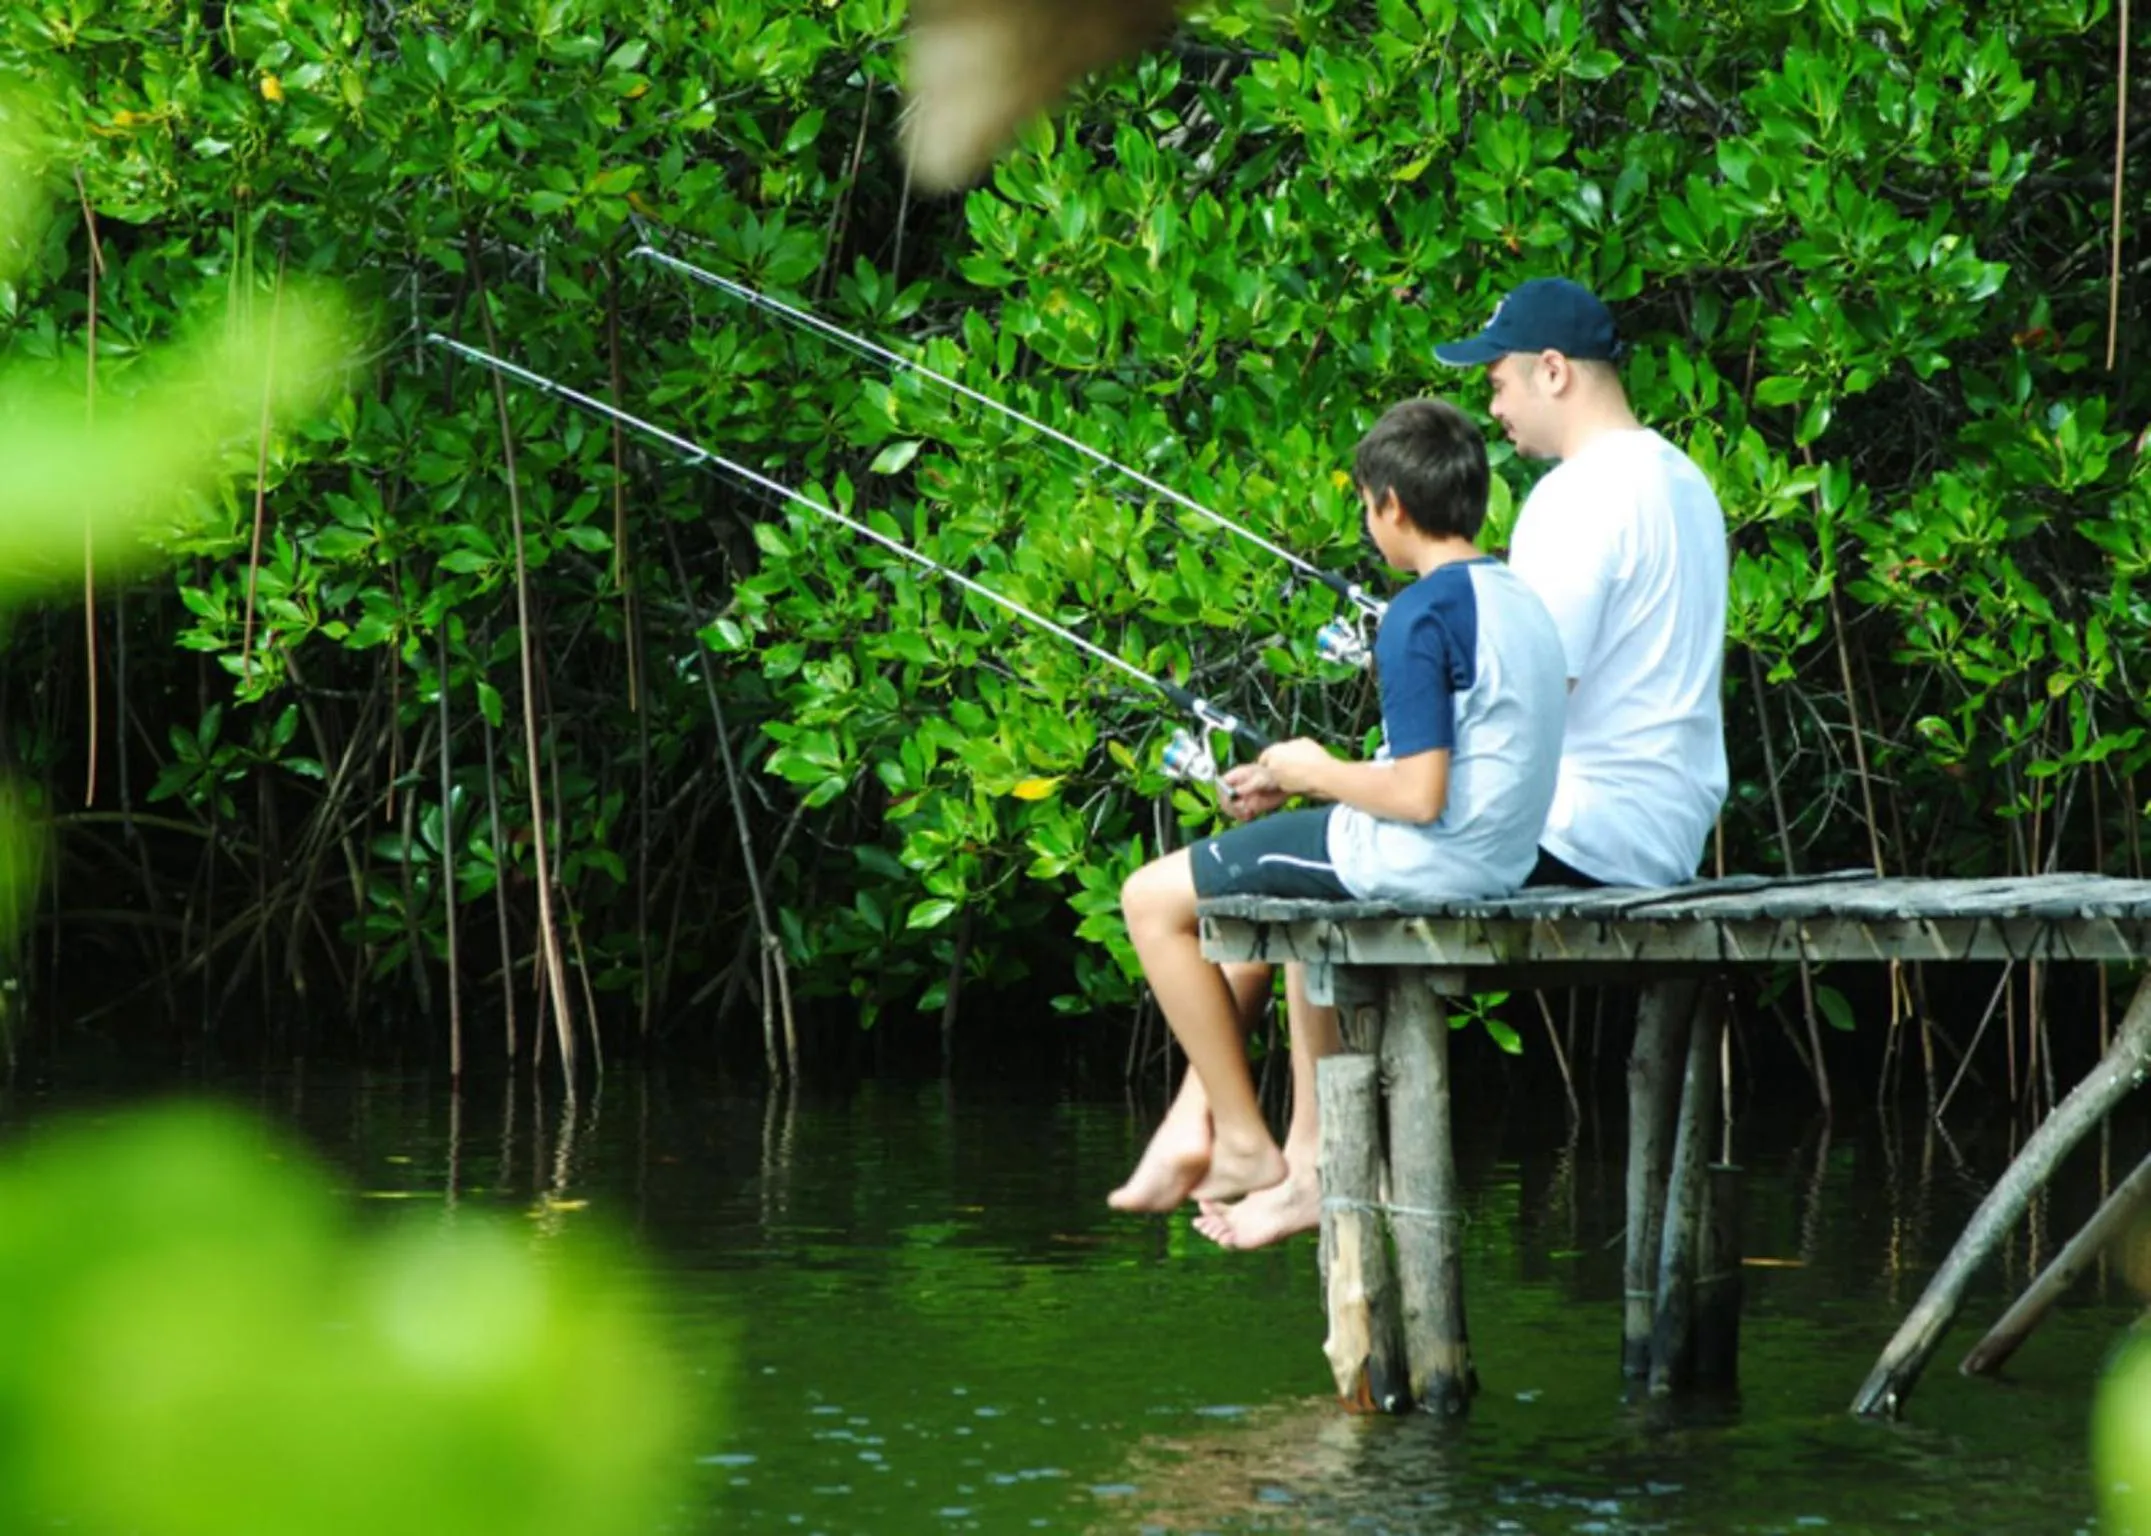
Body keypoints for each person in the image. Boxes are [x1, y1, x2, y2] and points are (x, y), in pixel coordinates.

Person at [1187, 277, 1732, 1249]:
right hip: (1662, 841)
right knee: (1323, 844)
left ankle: (1274, 1152)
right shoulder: (1683, 479)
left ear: (1553, 371)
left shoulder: (1577, 498)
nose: (1493, 408)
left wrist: (1339, 775)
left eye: (1499, 382)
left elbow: (1521, 698)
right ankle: (1230, 1136)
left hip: (1576, 832)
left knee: (1315, 869)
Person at [1109, 397, 1568, 1213]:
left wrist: (1313, 768)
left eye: (1365, 507)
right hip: (1496, 860)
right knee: (1277, 902)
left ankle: (1245, 1141)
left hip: (1420, 858)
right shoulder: (1518, 599)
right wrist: (1297, 779)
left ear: (1389, 503)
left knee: (1148, 900)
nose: (1368, 524)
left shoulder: (1419, 613)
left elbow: (1419, 795)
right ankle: (1288, 1147)